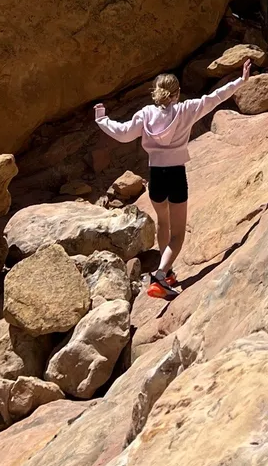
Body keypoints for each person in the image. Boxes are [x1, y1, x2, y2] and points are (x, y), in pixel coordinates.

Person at [94, 59, 252, 299]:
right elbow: (215, 98)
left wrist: (101, 118)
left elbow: (124, 134)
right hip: (176, 174)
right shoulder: (186, 109)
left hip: (156, 176)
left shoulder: (145, 114)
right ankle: (160, 275)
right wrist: (241, 80)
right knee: (178, 233)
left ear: (156, 93)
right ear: (176, 94)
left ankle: (166, 273)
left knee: (163, 223)